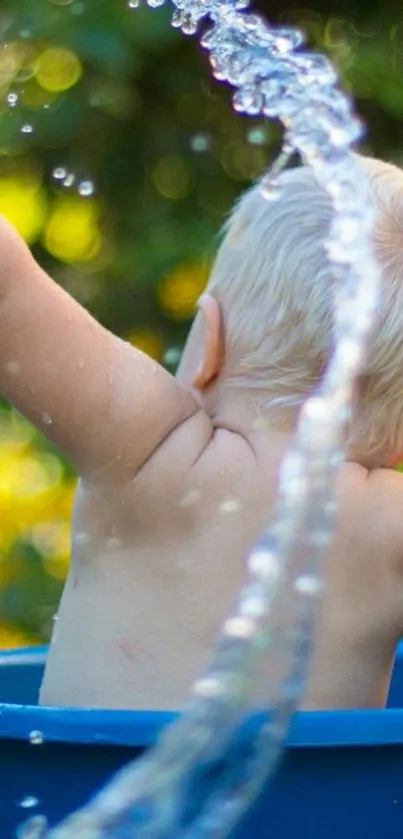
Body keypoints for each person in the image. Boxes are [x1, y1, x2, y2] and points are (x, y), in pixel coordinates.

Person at [1, 154, 403, 711]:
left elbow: (6, 289)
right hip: (322, 801)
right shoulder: (391, 528)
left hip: (81, 790)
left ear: (209, 345)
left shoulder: (151, 455)